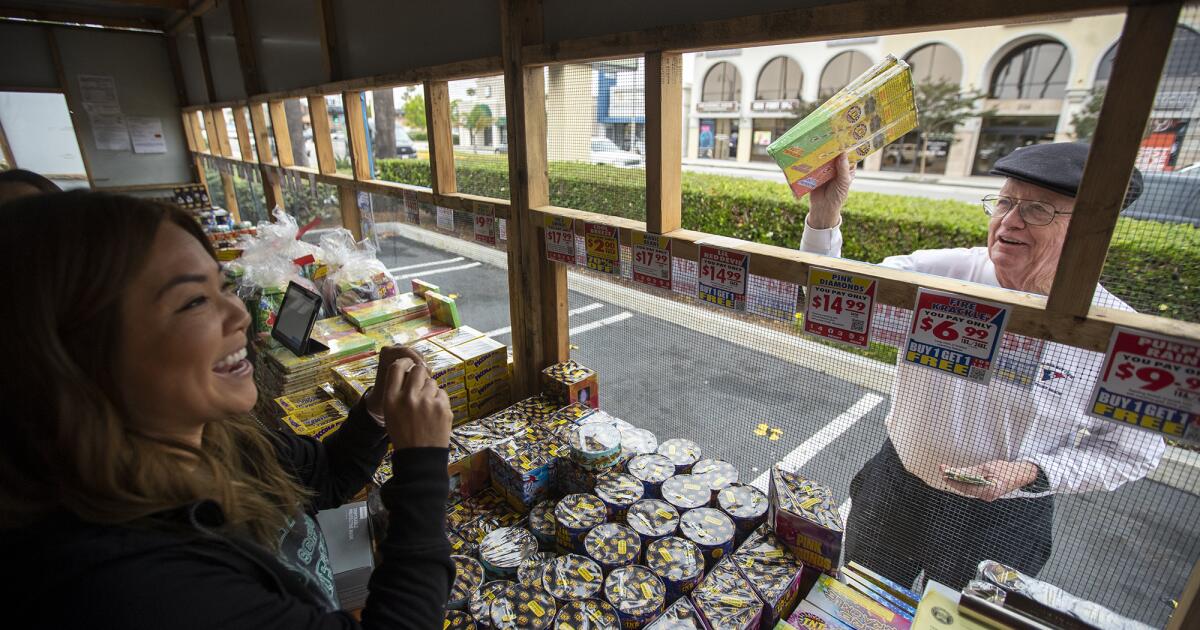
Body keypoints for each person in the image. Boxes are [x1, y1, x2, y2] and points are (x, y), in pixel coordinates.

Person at [0, 191, 454, 629]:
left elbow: (325, 477)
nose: (238, 314)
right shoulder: (130, 587)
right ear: (74, 355)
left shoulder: (216, 438)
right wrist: (421, 467)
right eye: (194, 301)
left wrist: (376, 408)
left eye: (222, 286)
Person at [799, 143, 1166, 589]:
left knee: (956, 619)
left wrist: (1034, 472)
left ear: (1091, 231)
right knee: (859, 597)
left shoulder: (1111, 330)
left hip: (1004, 520)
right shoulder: (945, 273)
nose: (1009, 221)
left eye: (1037, 211)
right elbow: (830, 303)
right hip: (897, 490)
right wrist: (824, 216)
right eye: (1006, 202)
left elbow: (1134, 450)